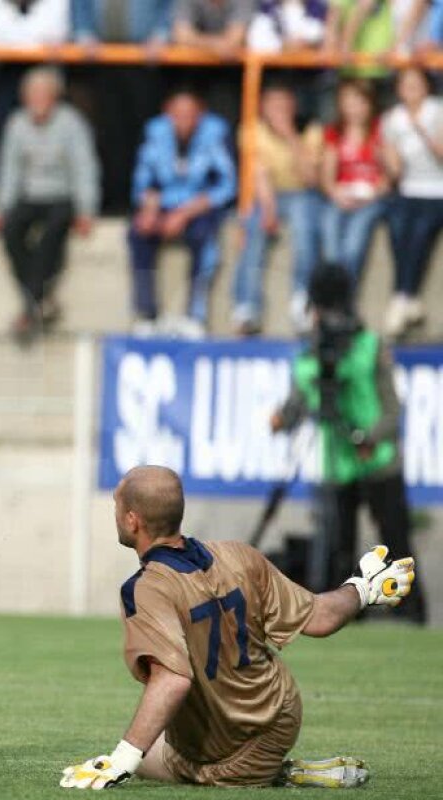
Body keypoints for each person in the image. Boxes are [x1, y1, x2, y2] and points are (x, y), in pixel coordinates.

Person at [59, 465, 416, 790]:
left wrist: (121, 760)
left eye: (118, 508)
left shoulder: (146, 587)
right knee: (153, 745)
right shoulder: (238, 554)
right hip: (281, 714)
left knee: (146, 760)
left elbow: (172, 679)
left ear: (133, 521)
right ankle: (268, 764)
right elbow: (322, 617)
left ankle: (280, 773)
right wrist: (363, 587)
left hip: (229, 747)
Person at [270, 264, 426, 624]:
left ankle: (414, 613)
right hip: (338, 464)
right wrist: (280, 419)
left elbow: (392, 408)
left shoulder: (370, 346)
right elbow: (296, 407)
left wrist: (370, 438)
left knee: (397, 545)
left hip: (378, 460)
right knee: (340, 551)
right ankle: (345, 617)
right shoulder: (309, 358)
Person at [0, 68, 100, 344]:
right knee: (11, 232)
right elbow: (9, 173)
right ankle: (40, 299)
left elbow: (84, 168)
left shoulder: (72, 124)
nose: (37, 101)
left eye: (43, 95)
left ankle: (29, 304)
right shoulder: (16, 125)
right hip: (29, 196)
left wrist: (86, 209)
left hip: (61, 196)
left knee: (52, 234)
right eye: (32, 95)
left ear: (54, 97)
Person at [128, 88, 236, 338]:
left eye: (189, 115)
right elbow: (144, 180)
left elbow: (227, 185)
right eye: (177, 115)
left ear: (200, 115)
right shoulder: (155, 134)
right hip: (165, 204)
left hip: (200, 206)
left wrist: (184, 213)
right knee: (138, 232)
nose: (183, 121)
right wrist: (149, 208)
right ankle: (146, 313)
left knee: (205, 237)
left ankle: (195, 315)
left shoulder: (215, 136)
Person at [230, 83, 323, 335]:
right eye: (273, 104)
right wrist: (269, 210)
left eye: (284, 104)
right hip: (266, 195)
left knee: (306, 231)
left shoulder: (311, 130)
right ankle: (247, 306)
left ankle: (302, 301)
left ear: (294, 106)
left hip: (303, 194)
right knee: (252, 228)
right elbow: (259, 175)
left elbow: (311, 179)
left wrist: (291, 136)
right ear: (262, 106)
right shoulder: (251, 131)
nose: (279, 110)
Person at [69, 0, 172, 214]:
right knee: (109, 133)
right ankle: (112, 199)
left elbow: (168, 6)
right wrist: (84, 33)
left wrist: (161, 34)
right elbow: (79, 7)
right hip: (102, 58)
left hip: (144, 60)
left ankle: (141, 200)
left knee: (142, 133)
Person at [0, 0, 71, 203]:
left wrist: (19, 38)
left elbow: (55, 31)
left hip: (44, 65)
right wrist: (34, 39)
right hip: (4, 72)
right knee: (2, 138)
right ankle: (1, 201)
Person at [381, 66, 443, 338]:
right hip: (408, 189)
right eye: (405, 83)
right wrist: (386, 156)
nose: (411, 88)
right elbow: (395, 170)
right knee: (397, 228)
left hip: (437, 189)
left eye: (415, 83)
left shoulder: (438, 111)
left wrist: (422, 132)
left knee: (420, 231)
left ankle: (401, 296)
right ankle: (407, 297)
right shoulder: (392, 119)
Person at [320, 79, 388, 281]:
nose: (354, 109)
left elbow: (389, 177)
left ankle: (346, 299)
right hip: (342, 195)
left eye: (360, 102)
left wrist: (372, 194)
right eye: (349, 102)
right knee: (330, 237)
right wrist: (335, 193)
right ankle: (332, 297)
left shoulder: (381, 131)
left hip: (372, 198)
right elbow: (327, 175)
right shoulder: (334, 133)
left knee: (354, 244)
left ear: (370, 104)